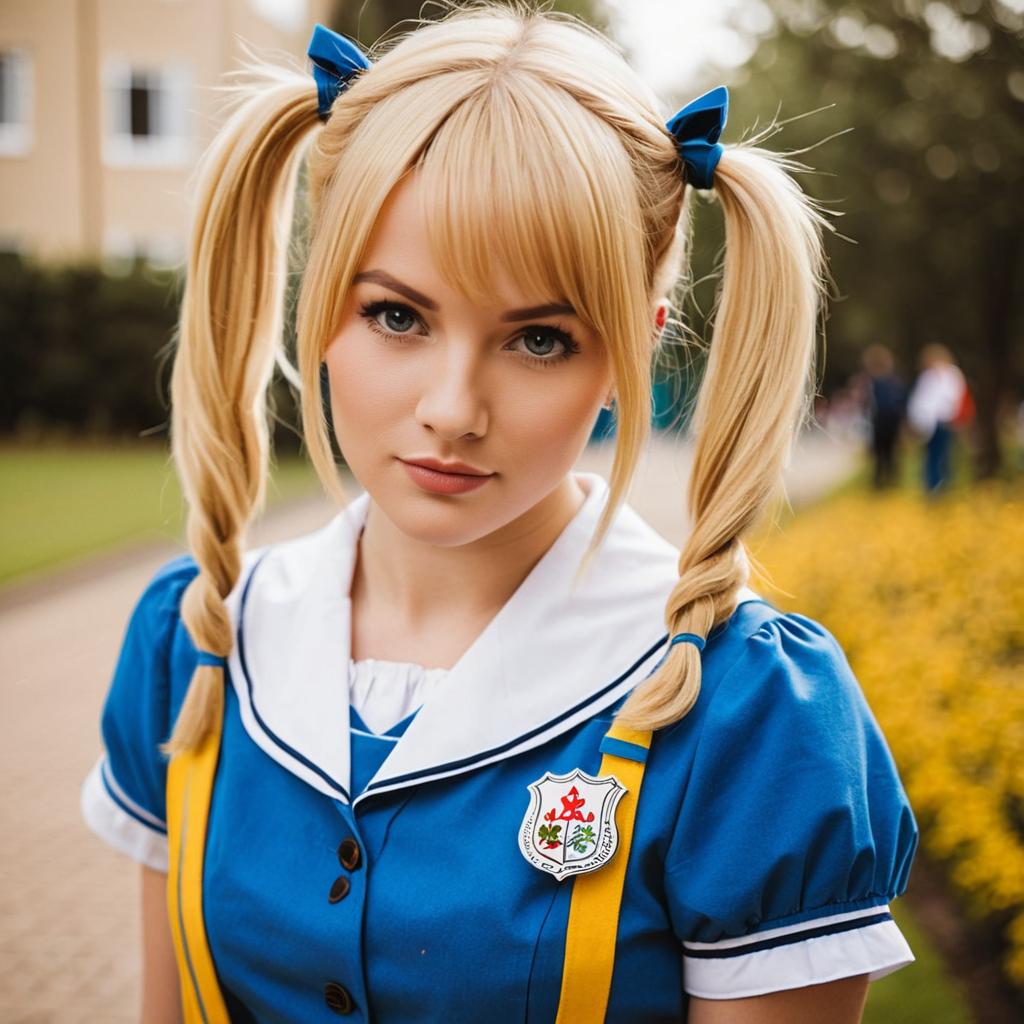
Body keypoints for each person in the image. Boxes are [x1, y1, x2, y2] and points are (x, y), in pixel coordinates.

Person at [79, 6, 919, 1022]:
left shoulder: (750, 718)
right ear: (320, 305)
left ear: (628, 352)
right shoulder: (194, 648)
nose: (451, 409)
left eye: (538, 340)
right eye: (397, 314)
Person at [907, 343, 968, 495]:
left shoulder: (951, 374)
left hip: (944, 421)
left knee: (943, 455)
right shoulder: (927, 377)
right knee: (933, 456)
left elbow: (955, 398)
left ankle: (943, 486)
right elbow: (919, 401)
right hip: (929, 423)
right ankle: (933, 487)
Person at [859, 344, 906, 489]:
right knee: (886, 454)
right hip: (884, 423)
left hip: (882, 423)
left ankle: (884, 482)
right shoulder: (891, 382)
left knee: (884, 454)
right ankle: (885, 481)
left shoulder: (875, 382)